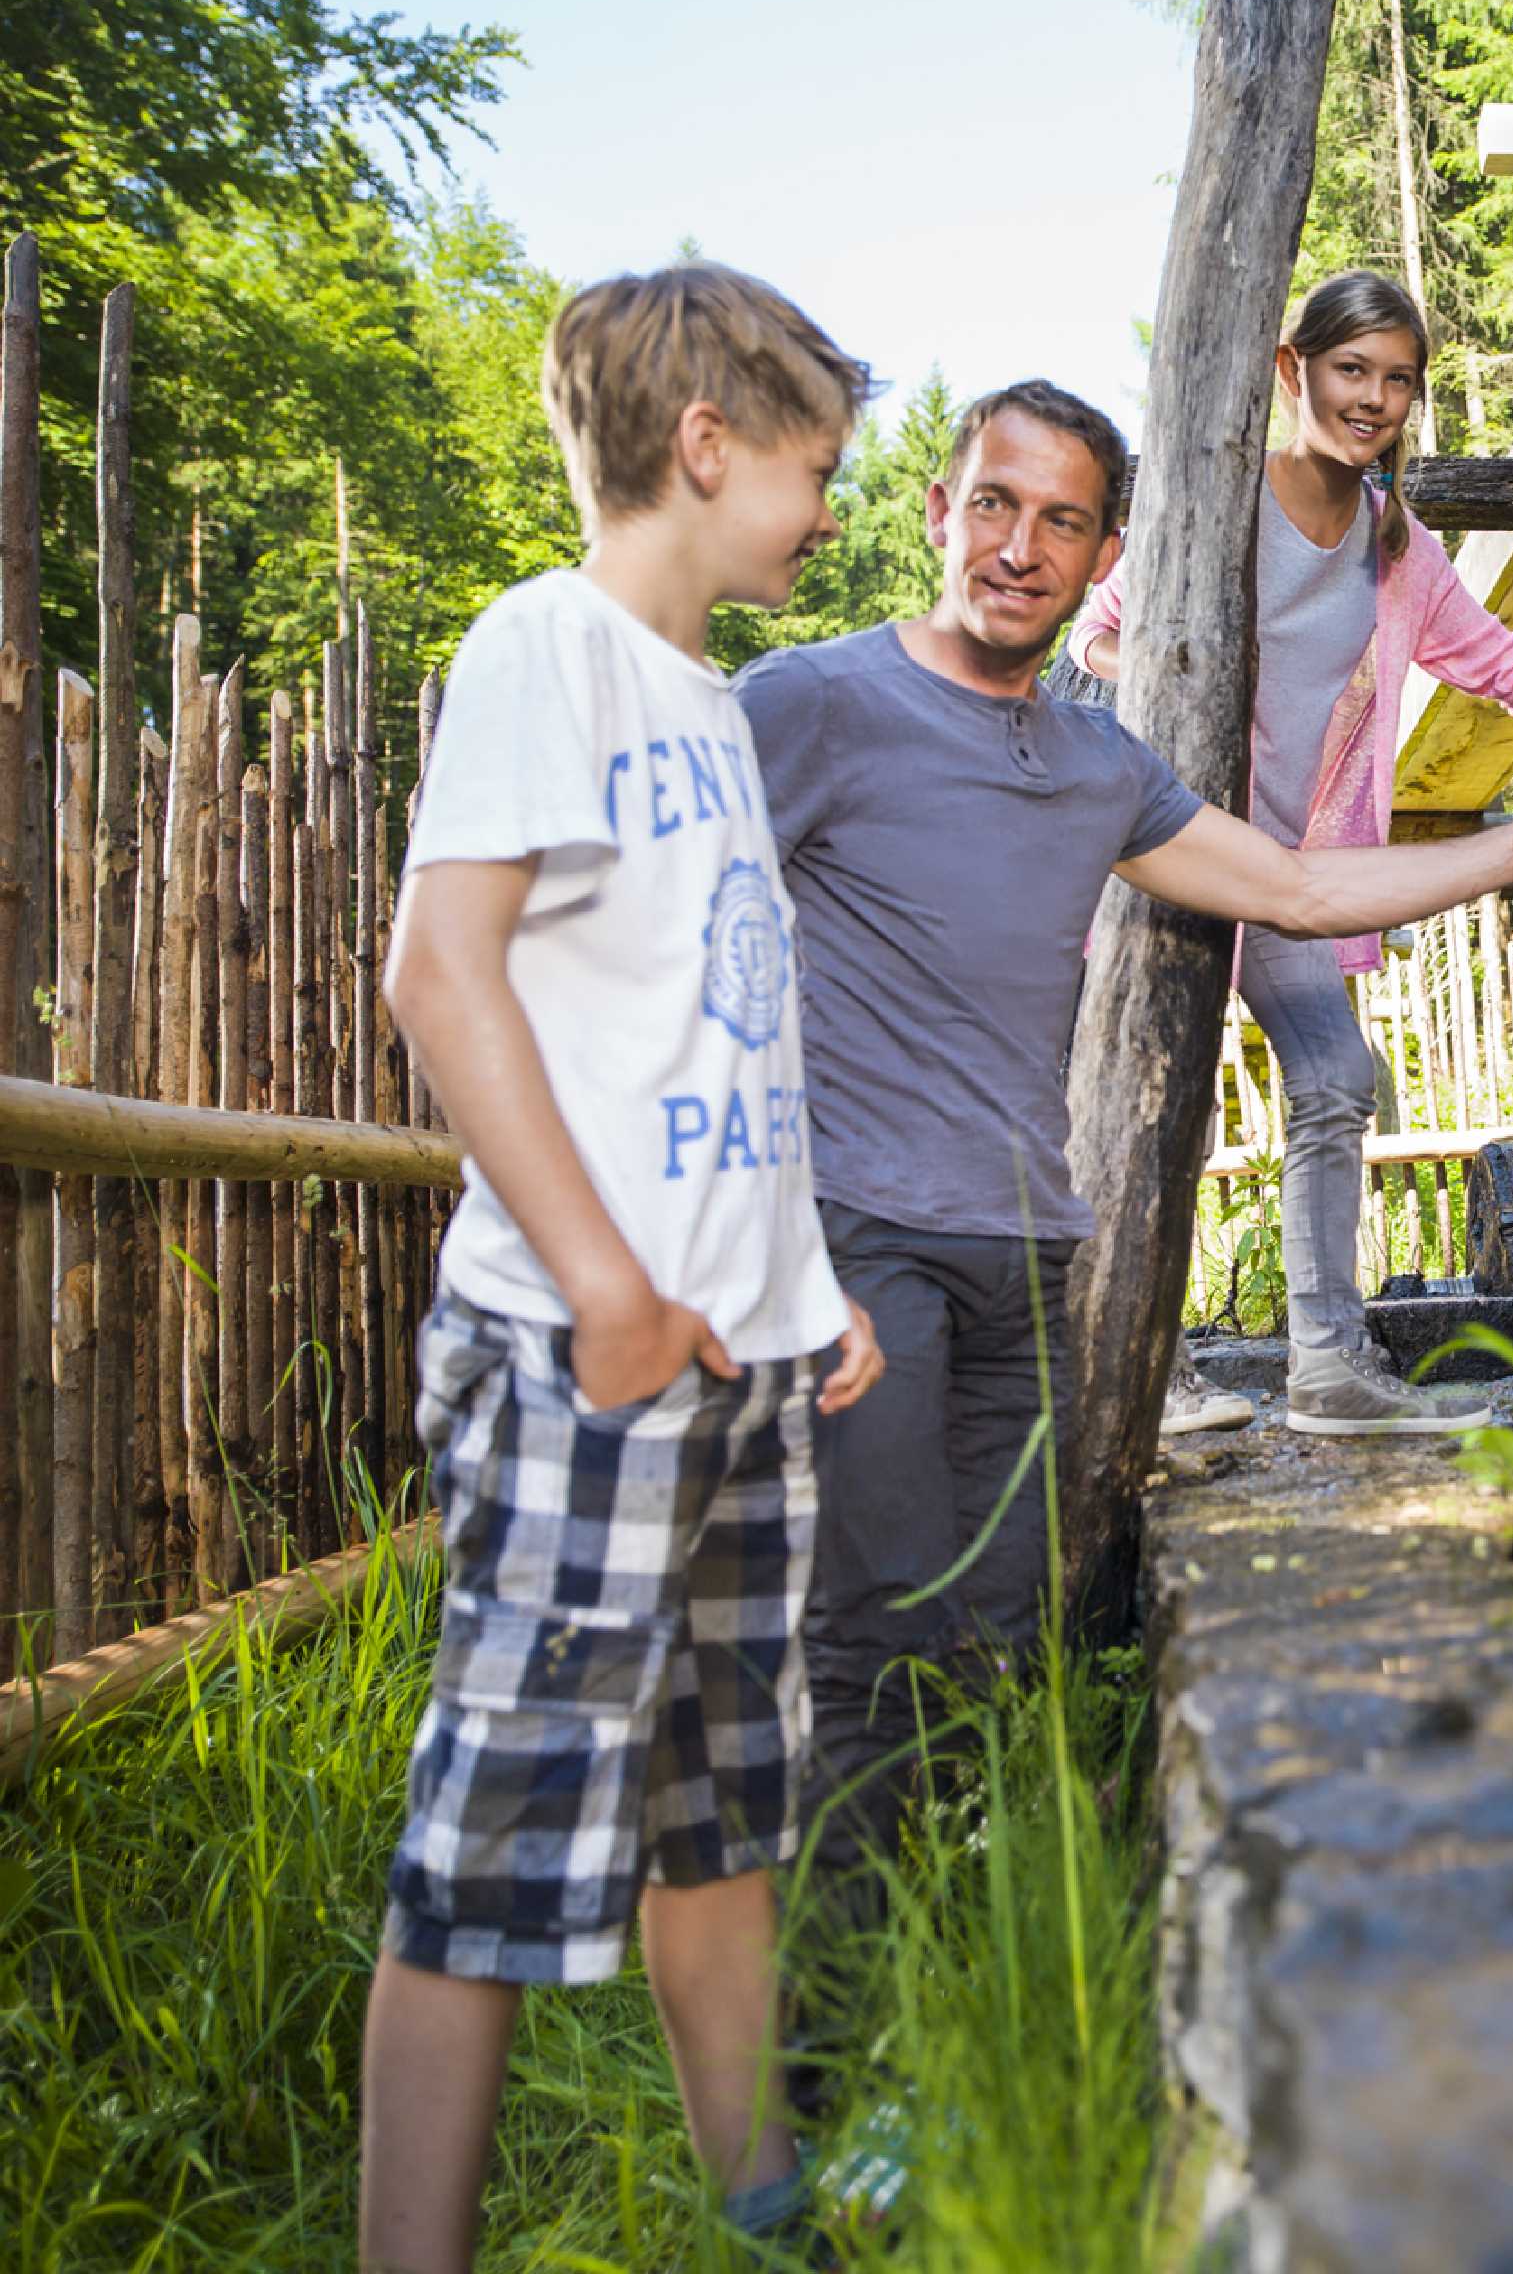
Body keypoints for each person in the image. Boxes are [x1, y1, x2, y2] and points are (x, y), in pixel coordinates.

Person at [733, 379, 1513, 1907]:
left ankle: (966, 1955)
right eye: (993, 504)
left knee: (1000, 1629)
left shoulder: (1098, 767)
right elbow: (652, 938)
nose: (1019, 546)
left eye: (1062, 521)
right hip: (855, 1246)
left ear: (1108, 561)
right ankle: (837, 2017)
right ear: (939, 512)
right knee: (868, 1637)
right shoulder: (808, 703)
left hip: (1027, 1270)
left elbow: (1297, 889)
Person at [361, 264, 887, 2274]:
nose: (828, 509)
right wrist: (602, 1288)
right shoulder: (550, 645)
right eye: (815, 469)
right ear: (706, 446)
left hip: (738, 1361)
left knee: (719, 1817)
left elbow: (718, 1037)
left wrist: (806, 1286)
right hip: (593, 1357)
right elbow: (440, 970)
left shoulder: (717, 711)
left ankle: (764, 2208)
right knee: (495, 1844)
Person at [1072, 271, 1513, 1439]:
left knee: (1335, 1078)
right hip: (1169, 846)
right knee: (1164, 1096)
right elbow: (1097, 644)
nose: (1373, 398)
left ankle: (1326, 1368)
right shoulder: (1220, 508)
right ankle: (1151, 1374)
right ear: (1292, 371)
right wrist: (1192, 681)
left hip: (1290, 868)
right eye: (1350, 370)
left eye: (1396, 379)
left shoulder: (1392, 542)